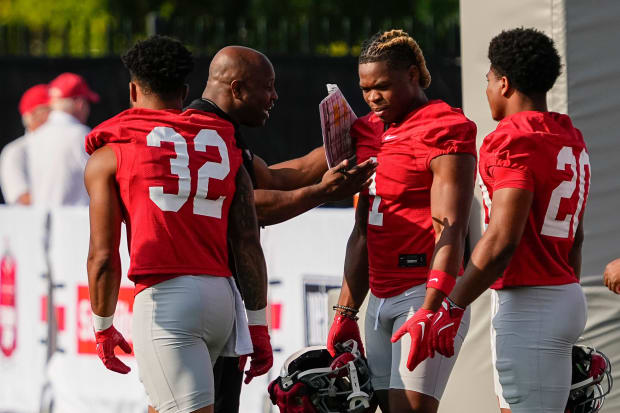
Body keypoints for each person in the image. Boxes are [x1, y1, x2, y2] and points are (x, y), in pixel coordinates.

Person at [84, 36, 271, 413]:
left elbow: (103, 257)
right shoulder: (221, 140)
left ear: (133, 89)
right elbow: (248, 240)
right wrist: (258, 323)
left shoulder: (113, 151)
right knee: (164, 403)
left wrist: (103, 324)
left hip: (166, 301)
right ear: (185, 92)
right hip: (221, 298)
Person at [185, 45, 377, 413]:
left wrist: (358, 136)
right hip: (205, 290)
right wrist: (323, 191)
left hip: (205, 294)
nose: (274, 96)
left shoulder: (213, 128)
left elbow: (275, 178)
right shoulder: (209, 133)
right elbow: (246, 209)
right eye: (267, 86)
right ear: (237, 88)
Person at [424, 28, 590, 413]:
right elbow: (576, 238)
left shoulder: (512, 139)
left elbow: (501, 240)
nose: (486, 91)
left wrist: (452, 306)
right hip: (563, 292)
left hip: (531, 303)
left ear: (504, 82)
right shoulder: (568, 134)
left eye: (487, 81)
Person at [327, 29, 477, 413]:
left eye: (382, 87)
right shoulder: (367, 129)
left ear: (412, 75)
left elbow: (451, 226)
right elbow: (362, 230)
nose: (373, 98)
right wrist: (346, 312)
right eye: (364, 89)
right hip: (379, 296)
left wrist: (433, 306)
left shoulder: (443, 126)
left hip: (421, 291)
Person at [26, 72, 99, 206]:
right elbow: (100, 183)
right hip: (75, 222)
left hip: (41, 222)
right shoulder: (82, 135)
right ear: (80, 104)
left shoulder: (35, 137)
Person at [0, 84, 51, 204]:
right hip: (31, 221)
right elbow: (22, 198)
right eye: (49, 111)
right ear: (31, 116)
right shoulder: (15, 151)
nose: (57, 117)